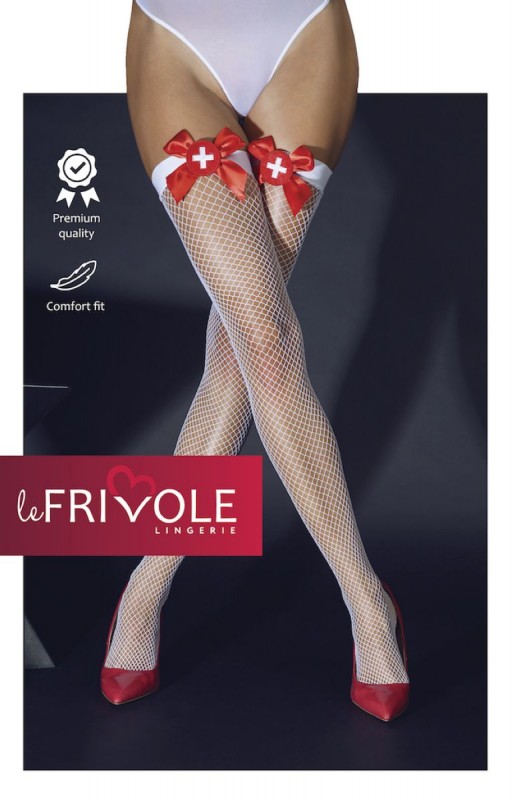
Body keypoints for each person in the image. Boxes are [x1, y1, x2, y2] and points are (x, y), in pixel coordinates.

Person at [100, 0, 410, 722]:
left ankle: (152, 589)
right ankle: (365, 599)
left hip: (302, 31)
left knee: (251, 340)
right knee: (258, 331)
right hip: (178, 35)